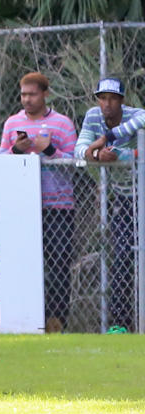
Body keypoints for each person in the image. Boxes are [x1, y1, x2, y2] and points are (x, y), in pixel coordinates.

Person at [0, 72, 78, 333]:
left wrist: (50, 150)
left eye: (32, 94)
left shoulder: (62, 124)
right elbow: (1, 161)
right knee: (24, 265)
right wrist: (16, 150)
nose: (27, 99)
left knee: (58, 266)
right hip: (22, 208)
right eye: (23, 95)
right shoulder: (12, 123)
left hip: (57, 208)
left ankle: (57, 321)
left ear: (45, 94)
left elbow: (75, 164)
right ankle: (25, 319)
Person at [75, 77, 145, 333]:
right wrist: (96, 154)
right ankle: (120, 325)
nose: (107, 104)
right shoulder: (93, 116)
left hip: (143, 193)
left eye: (113, 98)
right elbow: (79, 150)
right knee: (122, 258)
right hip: (125, 201)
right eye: (102, 98)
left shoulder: (134, 115)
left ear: (122, 101)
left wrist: (110, 138)